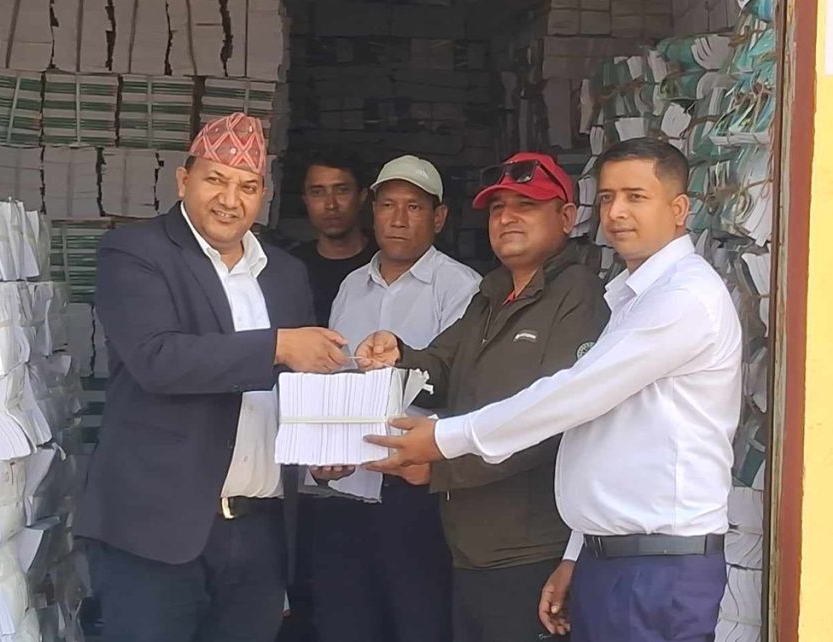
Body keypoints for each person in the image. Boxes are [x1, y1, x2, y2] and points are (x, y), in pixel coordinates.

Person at [360, 137, 742, 642]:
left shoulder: (680, 298)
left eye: (636, 196)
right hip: (607, 554)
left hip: (652, 563)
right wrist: (578, 553)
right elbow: (598, 438)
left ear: (678, 209)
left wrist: (443, 444)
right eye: (607, 197)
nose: (617, 212)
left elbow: (568, 400)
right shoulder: (623, 297)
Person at [76, 112, 350, 642]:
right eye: (215, 180)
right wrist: (278, 345)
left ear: (263, 196)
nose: (230, 200)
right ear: (183, 181)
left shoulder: (285, 274)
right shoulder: (136, 252)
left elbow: (294, 386)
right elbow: (157, 358)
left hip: (260, 531)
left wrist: (319, 453)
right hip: (157, 531)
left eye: (247, 187)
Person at [357, 152, 609, 641]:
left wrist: (438, 466)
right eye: (497, 208)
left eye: (526, 205)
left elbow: (551, 422)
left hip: (532, 550)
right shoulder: (492, 294)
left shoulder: (578, 297)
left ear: (566, 217)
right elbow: (441, 367)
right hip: (470, 546)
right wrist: (397, 354)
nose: (507, 217)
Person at [309, 155, 481, 642]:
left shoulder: (461, 288)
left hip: (413, 491)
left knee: (418, 622)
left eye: (414, 207)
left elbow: (462, 385)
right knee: (345, 624)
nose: (399, 219)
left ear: (439, 218)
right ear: (373, 211)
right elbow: (334, 379)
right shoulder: (351, 285)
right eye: (388, 205)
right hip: (344, 488)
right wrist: (320, 455)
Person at [291, 147, 377, 326]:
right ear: (306, 201)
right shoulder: (291, 268)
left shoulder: (384, 262)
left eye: (342, 190)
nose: (331, 204)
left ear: (362, 196)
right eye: (317, 192)